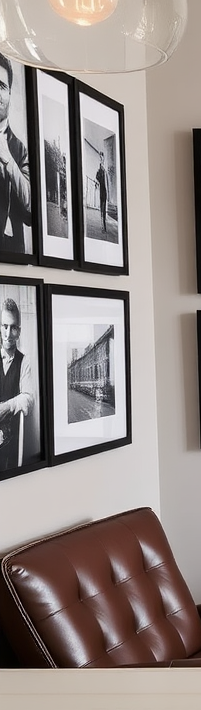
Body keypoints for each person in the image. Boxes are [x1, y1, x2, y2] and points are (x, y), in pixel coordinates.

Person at [0, 54, 31, 258]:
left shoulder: (20, 149)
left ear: (10, 92)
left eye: (1, 86)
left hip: (11, 253)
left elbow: (31, 212)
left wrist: (7, 159)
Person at [0, 296, 34, 473]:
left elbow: (28, 399)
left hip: (12, 445)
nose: (8, 334)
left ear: (19, 331)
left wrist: (6, 407)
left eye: (13, 327)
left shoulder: (24, 361)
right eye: (4, 326)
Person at [95, 152, 109, 233]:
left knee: (103, 208)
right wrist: (97, 182)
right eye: (100, 157)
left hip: (105, 191)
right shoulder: (100, 169)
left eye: (101, 157)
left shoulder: (104, 169)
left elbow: (106, 180)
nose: (101, 159)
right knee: (102, 208)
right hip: (101, 191)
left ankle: (104, 226)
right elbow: (98, 178)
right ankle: (102, 226)